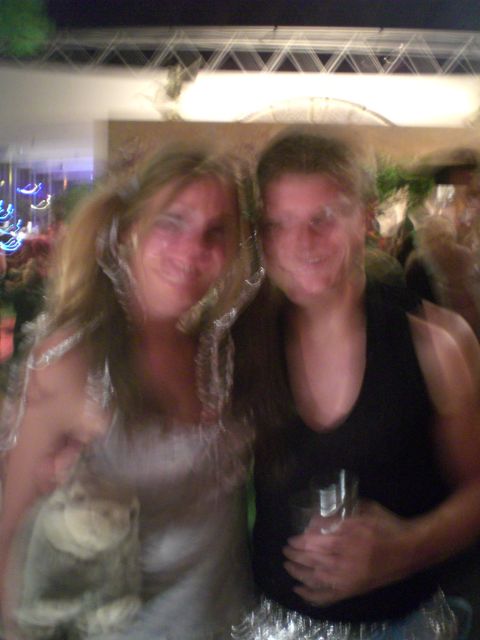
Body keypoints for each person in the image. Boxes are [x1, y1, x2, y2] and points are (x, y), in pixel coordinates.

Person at [0, 146, 261, 640]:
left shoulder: (217, 351)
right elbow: (9, 540)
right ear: (128, 231)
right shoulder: (73, 363)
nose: (193, 248)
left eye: (215, 231)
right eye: (172, 223)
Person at [232, 131, 480, 639]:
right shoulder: (242, 345)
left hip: (406, 625)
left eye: (322, 218)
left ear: (366, 217)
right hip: (269, 624)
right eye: (279, 224)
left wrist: (406, 547)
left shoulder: (435, 343)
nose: (301, 243)